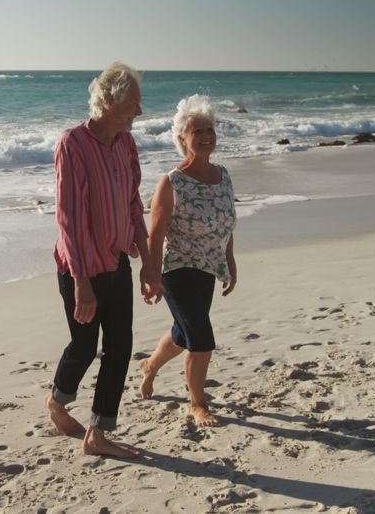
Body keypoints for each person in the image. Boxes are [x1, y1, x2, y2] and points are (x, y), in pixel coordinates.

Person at [45, 63, 154, 458]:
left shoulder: (126, 143)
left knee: (121, 346)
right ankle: (57, 402)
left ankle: (98, 434)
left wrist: (149, 263)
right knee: (84, 345)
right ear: (109, 100)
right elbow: (68, 219)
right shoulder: (72, 144)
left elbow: (132, 205)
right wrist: (82, 283)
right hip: (80, 268)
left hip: (116, 261)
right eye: (133, 104)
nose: (138, 113)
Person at [141, 94, 238, 427]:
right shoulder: (172, 183)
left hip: (208, 269)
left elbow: (227, 221)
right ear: (182, 138)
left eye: (210, 128)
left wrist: (230, 260)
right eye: (197, 130)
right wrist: (151, 275)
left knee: (184, 334)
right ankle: (197, 404)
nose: (206, 135)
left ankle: (150, 365)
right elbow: (155, 235)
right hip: (177, 270)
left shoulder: (223, 176)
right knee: (202, 339)